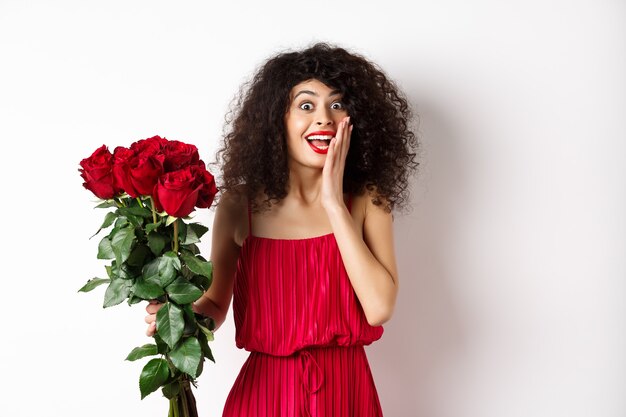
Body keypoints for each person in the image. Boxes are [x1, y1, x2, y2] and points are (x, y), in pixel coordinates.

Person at [145, 42, 419, 416]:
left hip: (346, 394)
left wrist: (334, 205)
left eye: (337, 105)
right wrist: (179, 320)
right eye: (306, 106)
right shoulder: (240, 206)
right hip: (265, 395)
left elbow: (379, 308)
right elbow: (215, 303)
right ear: (277, 120)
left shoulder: (368, 201)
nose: (324, 118)